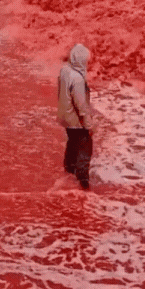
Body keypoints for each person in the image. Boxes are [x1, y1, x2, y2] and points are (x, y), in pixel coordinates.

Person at [57, 43, 94, 189]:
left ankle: (69, 171)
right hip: (76, 118)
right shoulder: (78, 78)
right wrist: (89, 125)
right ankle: (83, 182)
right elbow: (81, 105)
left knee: (72, 143)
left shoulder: (65, 72)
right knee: (86, 145)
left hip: (66, 117)